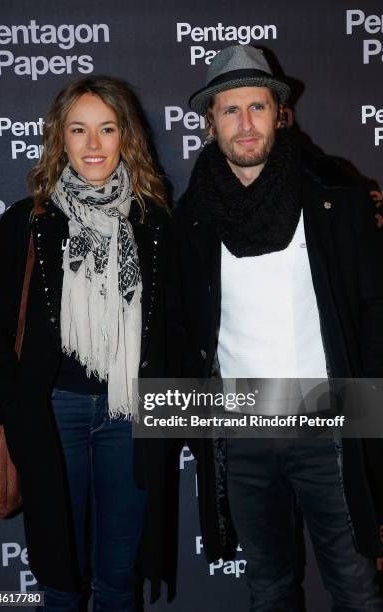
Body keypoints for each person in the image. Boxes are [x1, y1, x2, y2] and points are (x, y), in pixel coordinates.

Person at [173, 44, 383, 610]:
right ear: (210, 122)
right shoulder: (190, 218)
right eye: (230, 110)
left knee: (356, 586)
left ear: (278, 114)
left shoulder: (336, 197)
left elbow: (371, 313)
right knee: (267, 588)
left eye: (257, 107)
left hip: (329, 419)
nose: (245, 124)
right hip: (242, 431)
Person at [0, 76, 178, 611]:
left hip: (129, 415)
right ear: (59, 140)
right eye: (79, 130)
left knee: (118, 578)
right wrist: (18, 400)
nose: (93, 144)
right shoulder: (29, 221)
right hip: (52, 415)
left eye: (106, 129)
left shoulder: (154, 222)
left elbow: (175, 328)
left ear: (125, 137)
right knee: (60, 580)